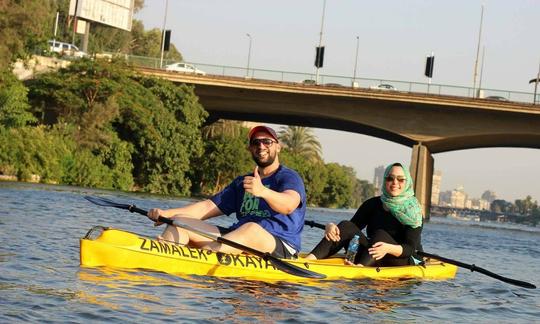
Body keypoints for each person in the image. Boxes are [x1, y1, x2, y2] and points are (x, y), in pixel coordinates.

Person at [147, 125, 307, 259]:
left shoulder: (289, 177)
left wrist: (263, 191)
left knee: (251, 228)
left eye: (267, 142)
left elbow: (289, 205)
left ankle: (205, 254)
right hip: (237, 237)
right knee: (180, 223)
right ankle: (162, 260)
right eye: (255, 142)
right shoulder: (242, 182)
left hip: (281, 245)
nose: (261, 146)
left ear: (278, 147)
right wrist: (167, 214)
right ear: (250, 148)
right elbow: (206, 208)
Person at [305, 162, 423, 266]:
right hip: (373, 253)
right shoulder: (372, 204)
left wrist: (387, 248)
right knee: (346, 225)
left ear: (407, 183)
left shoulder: (414, 211)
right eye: (390, 178)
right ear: (385, 181)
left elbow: (410, 249)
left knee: (380, 235)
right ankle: (308, 261)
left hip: (402, 258)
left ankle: (360, 268)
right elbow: (349, 230)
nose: (394, 182)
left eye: (400, 179)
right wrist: (330, 226)